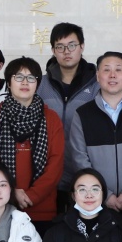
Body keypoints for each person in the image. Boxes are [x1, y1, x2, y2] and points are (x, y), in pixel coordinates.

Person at [0, 56, 65, 233]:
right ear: (9, 83)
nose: (25, 82)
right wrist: (12, 192)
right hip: (2, 207)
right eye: (19, 77)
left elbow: (56, 163)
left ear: (37, 83)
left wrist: (33, 195)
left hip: (43, 209)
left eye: (31, 77)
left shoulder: (51, 118)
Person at [66, 52, 122, 214]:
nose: (112, 75)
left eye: (118, 69)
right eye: (106, 70)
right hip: (96, 204)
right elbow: (79, 159)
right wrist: (104, 194)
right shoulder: (82, 114)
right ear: (97, 76)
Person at [35, 22, 99, 199]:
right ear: (53, 50)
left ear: (82, 47)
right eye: (60, 47)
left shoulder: (96, 85)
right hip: (47, 175)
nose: (66, 51)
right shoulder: (41, 85)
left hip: (86, 174)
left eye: (72, 45)